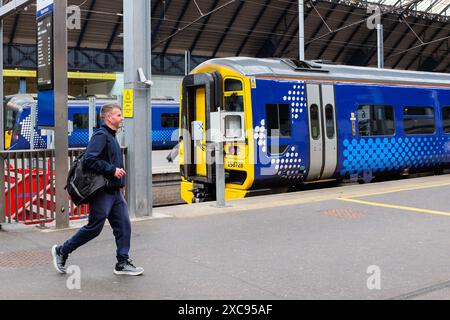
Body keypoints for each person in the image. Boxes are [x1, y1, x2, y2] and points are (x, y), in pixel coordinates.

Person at [52, 103, 144, 276]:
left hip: (114, 191)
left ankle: (122, 262)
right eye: (118, 115)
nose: (121, 118)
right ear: (109, 118)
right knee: (94, 228)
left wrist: (120, 181)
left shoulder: (112, 136)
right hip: (102, 192)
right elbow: (89, 160)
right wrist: (112, 170)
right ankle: (62, 250)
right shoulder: (101, 135)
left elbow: (113, 162)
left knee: (124, 225)